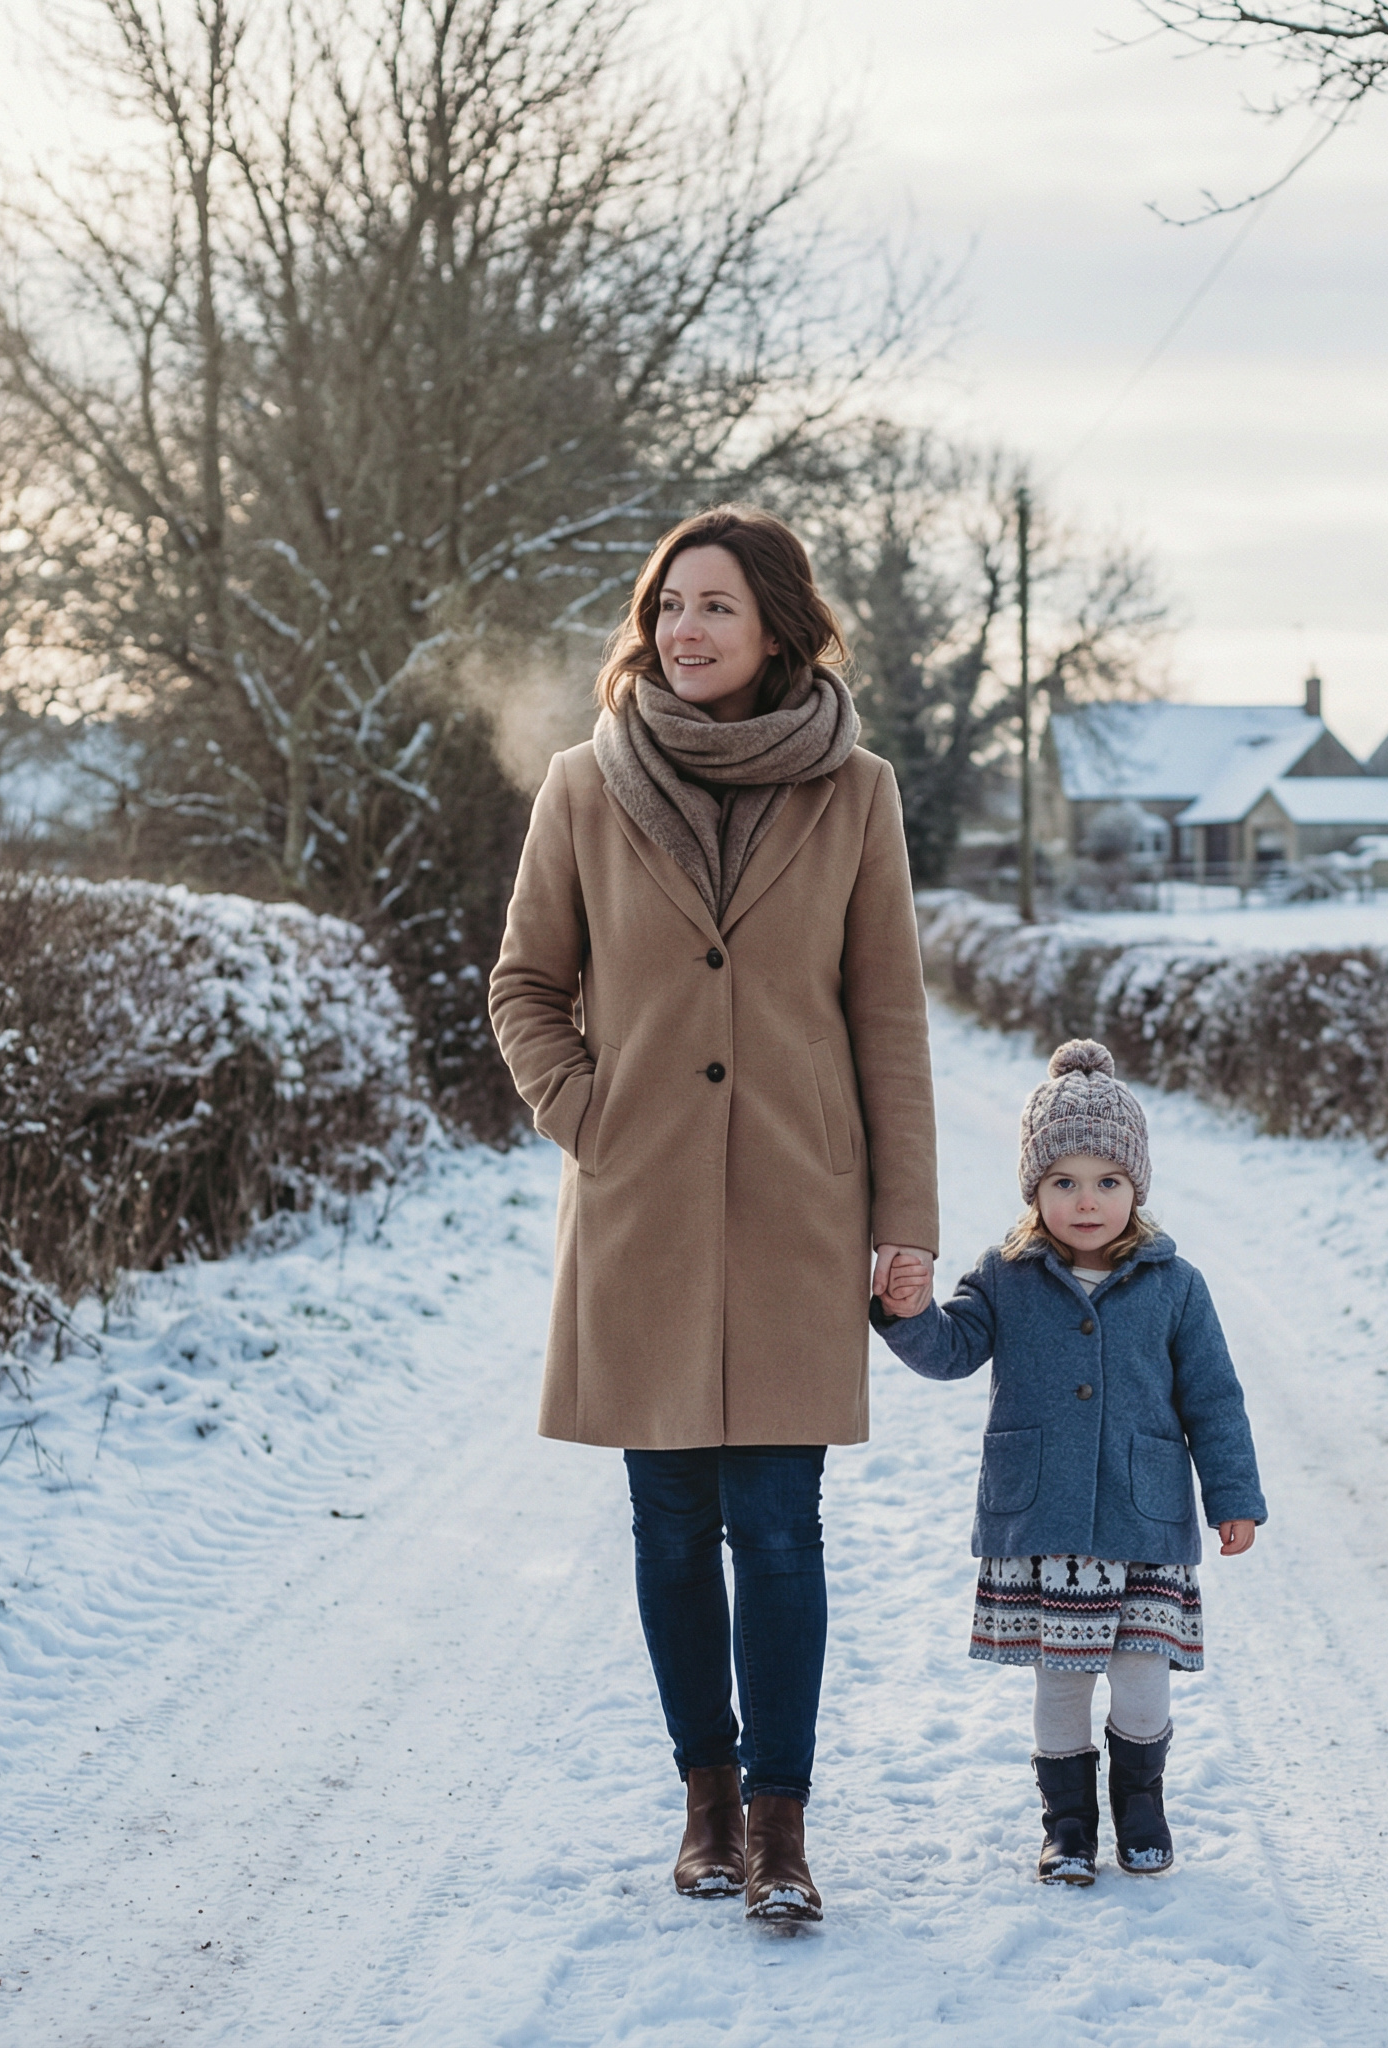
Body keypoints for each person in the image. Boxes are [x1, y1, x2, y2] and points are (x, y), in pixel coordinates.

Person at [487, 505, 938, 1925]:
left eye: (716, 608)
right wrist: (592, 1115)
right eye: (669, 604)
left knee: (781, 1529)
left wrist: (906, 1217)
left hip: (802, 1207)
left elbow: (889, 1017)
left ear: (777, 628)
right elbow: (523, 987)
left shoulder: (853, 792)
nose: (683, 630)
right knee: (671, 1525)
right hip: (645, 1209)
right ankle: (704, 1806)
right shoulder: (583, 783)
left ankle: (782, 1826)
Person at [870, 1039, 1264, 1885]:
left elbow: (1215, 1399)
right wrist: (905, 1314)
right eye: (1064, 1183)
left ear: (1137, 1187)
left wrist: (1234, 1496)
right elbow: (951, 1350)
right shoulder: (1007, 1276)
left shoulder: (1176, 1285)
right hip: (1047, 1519)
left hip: (1146, 1516)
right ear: (1035, 1190)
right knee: (1061, 1680)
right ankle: (1069, 1826)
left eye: (1107, 1183)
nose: (1087, 1202)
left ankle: (1143, 1807)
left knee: (1142, 1679)